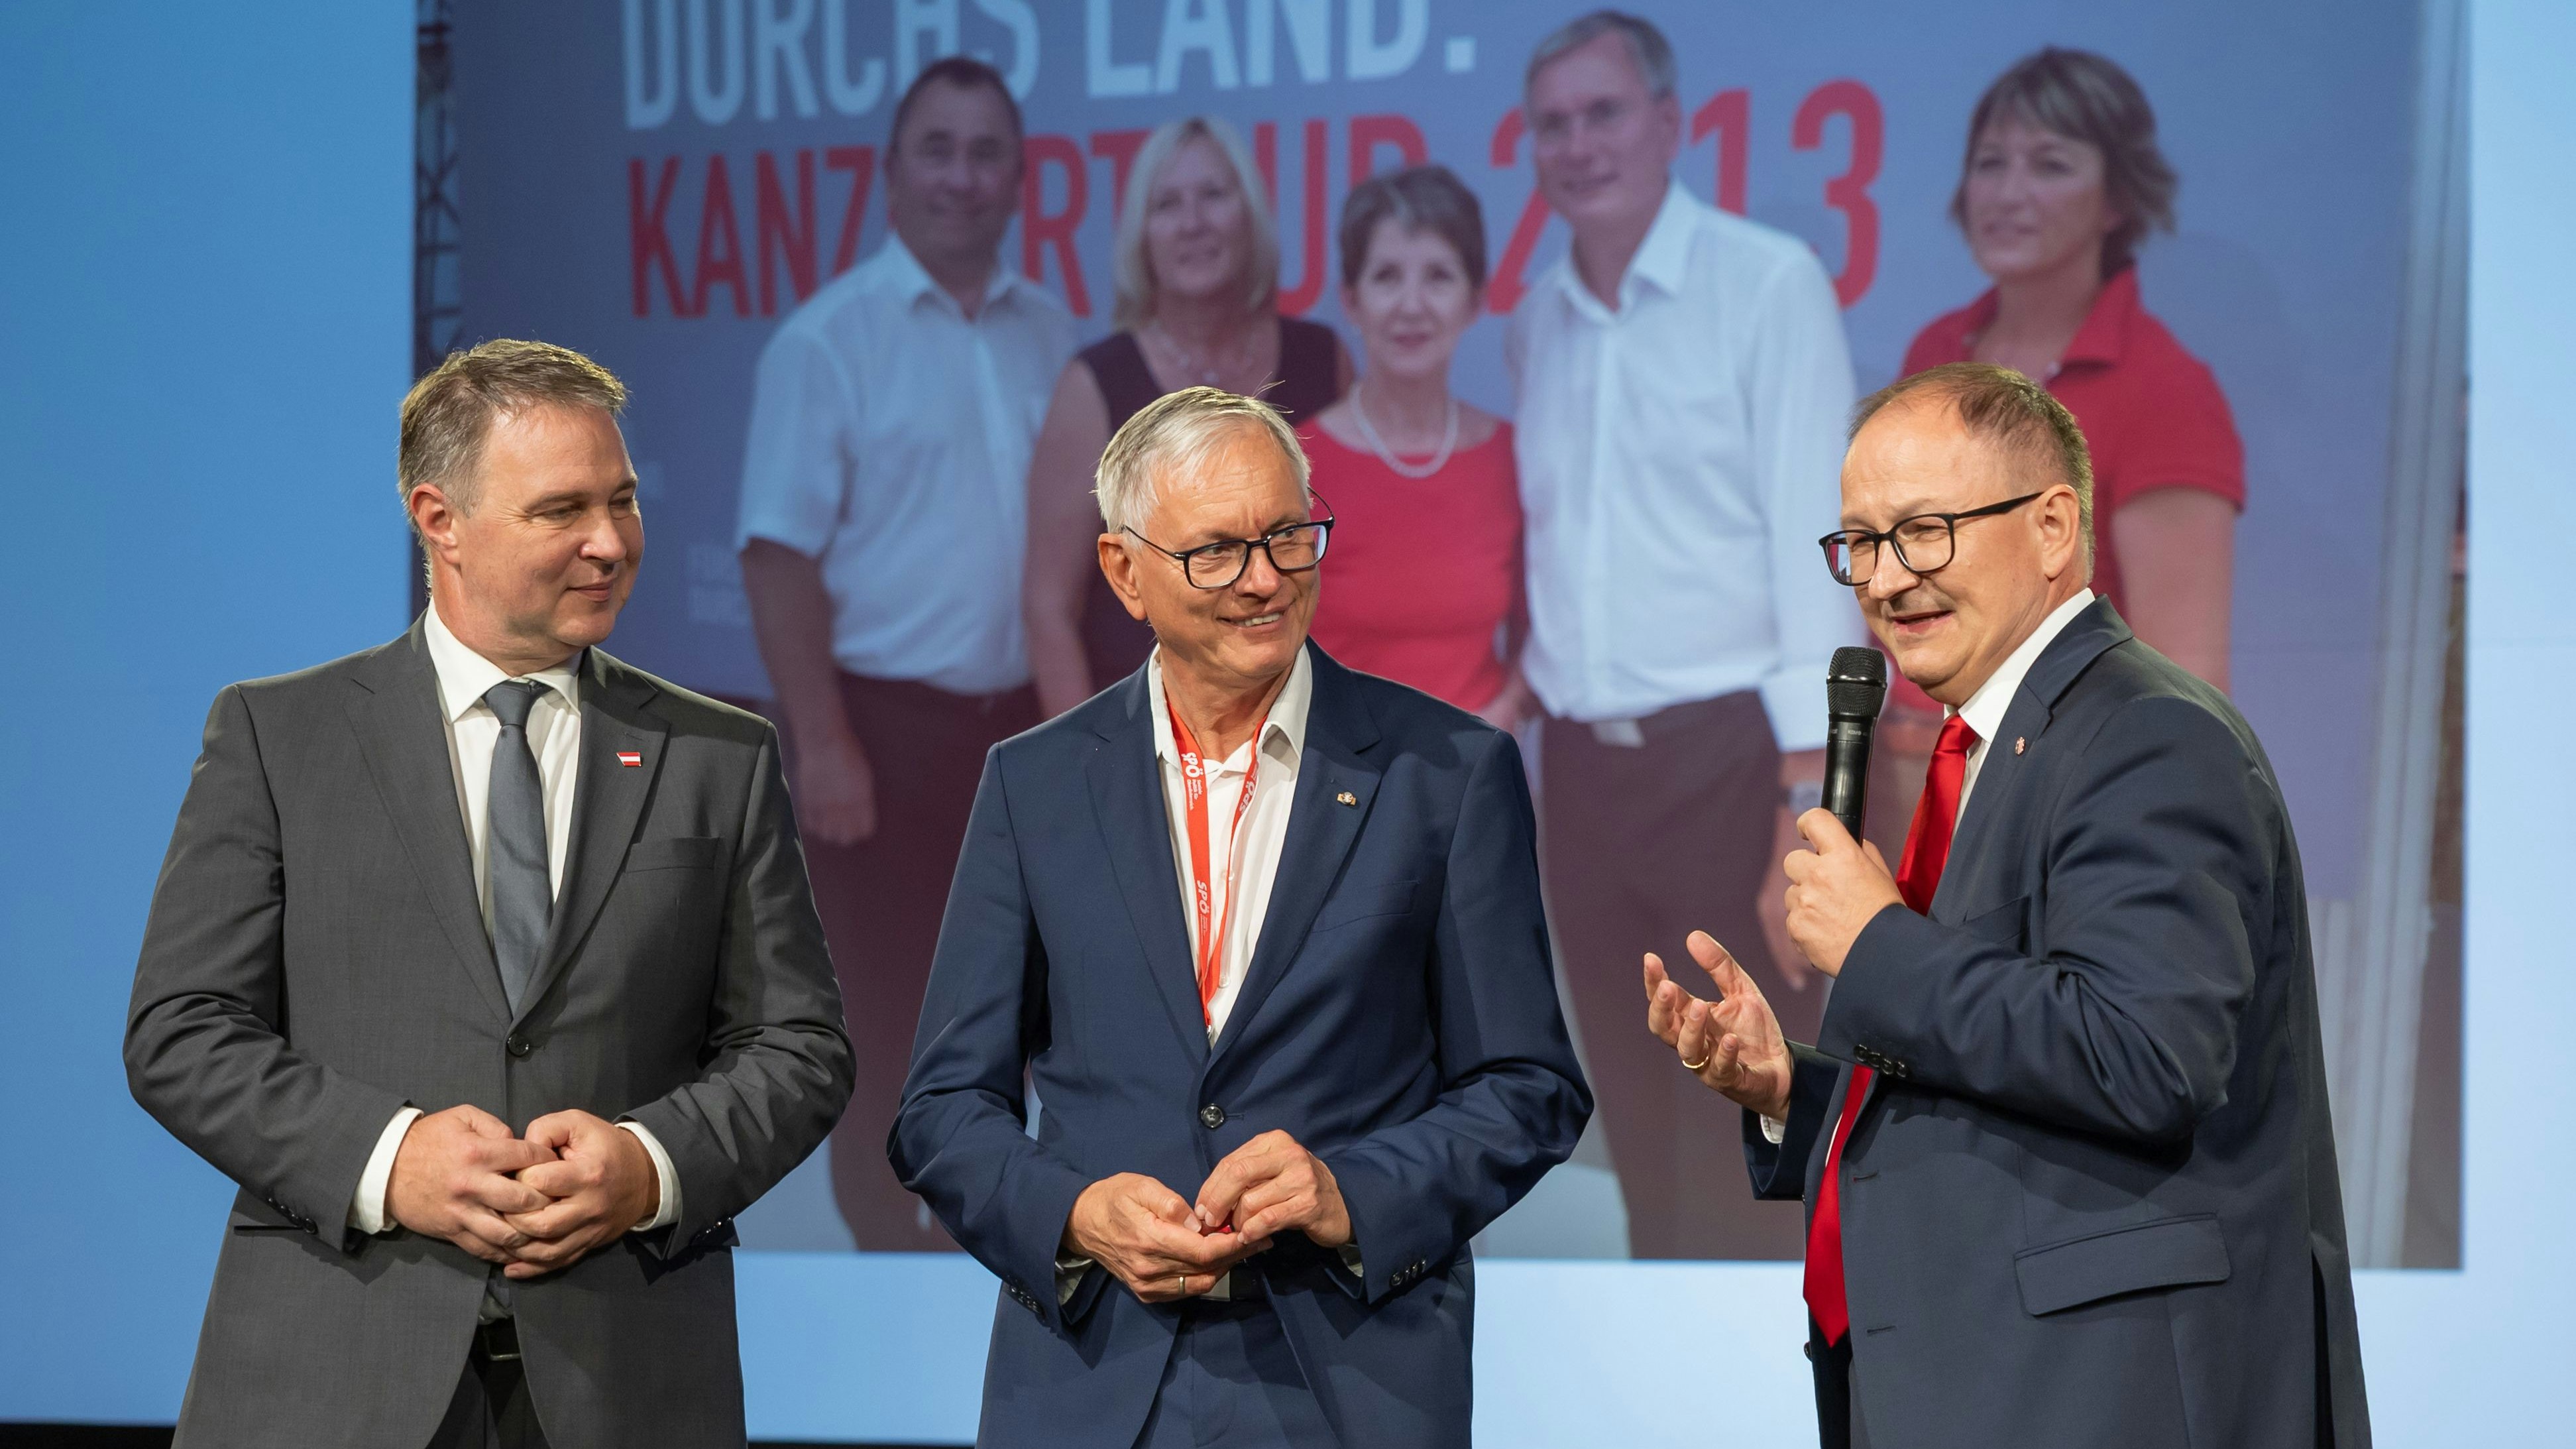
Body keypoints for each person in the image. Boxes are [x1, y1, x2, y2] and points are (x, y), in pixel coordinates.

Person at [126, 340, 854, 1448]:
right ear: (439, 518)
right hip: (328, 1378)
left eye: (623, 500)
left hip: (626, 1382)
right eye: (561, 510)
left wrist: (648, 1165)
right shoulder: (281, 737)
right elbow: (181, 1031)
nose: (609, 542)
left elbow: (799, 1048)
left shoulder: (719, 753)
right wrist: (387, 1157)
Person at [1644, 363, 2369, 1448]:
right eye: (1859, 544)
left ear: (2050, 526)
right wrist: (1793, 1087)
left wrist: (1877, 944)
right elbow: (1998, 1060)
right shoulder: (1981, 746)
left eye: (1922, 532)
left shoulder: (2148, 738)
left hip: (2106, 1400)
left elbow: (2144, 1056)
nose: (1886, 579)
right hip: (1969, 1384)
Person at [893, 388, 1590, 1448]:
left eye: (1287, 536)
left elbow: (1528, 1088)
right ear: (1124, 573)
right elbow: (942, 1106)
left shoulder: (1446, 775)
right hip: (1094, 1377)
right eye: (1216, 551)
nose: (1265, 578)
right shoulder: (1033, 786)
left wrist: (1344, 1189)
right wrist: (1075, 1214)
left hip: (1349, 1379)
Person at [1506, 9, 1858, 1260]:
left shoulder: (1766, 285)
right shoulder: (1533, 324)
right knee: (1633, 1129)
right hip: (1584, 784)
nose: (1578, 144)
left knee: (1740, 1134)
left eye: (1604, 113)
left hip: (1729, 767)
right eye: (1553, 123)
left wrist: (1803, 807)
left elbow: (1815, 555)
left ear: (1669, 122)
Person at [736, 57, 1072, 1249]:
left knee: (1022, 1017)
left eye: (987, 152)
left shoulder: (1054, 339)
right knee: (886, 1027)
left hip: (1025, 735)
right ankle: (890, 1269)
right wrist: (821, 743)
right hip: (879, 737)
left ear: (1019, 179)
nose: (962, 176)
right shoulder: (829, 343)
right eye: (937, 148)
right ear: (889, 172)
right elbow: (775, 560)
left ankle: (994, 1264)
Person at [1904, 47, 2241, 688]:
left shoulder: (2166, 390)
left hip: (2061, 772)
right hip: (1903, 760)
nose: (2008, 194)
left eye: (2050, 165)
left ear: (2116, 200)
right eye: (1989, 163)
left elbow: (2186, 684)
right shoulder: (1936, 353)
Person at [1023, 115, 1351, 719]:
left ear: (1249, 215)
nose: (1193, 223)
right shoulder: (1093, 385)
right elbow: (1048, 608)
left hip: (1308, 728)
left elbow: (1352, 569)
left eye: (1213, 196)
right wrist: (1084, 769)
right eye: (1167, 204)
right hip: (1142, 739)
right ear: (1140, 235)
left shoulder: (1323, 361)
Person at [1306, 164, 1530, 724]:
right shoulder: (1288, 464)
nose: (1412, 305)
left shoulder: (1512, 456)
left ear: (1475, 301)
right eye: (1386, 277)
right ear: (1351, 302)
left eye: (1438, 276)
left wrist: (1508, 711)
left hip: (1474, 786)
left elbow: (1546, 632)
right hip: (1337, 788)